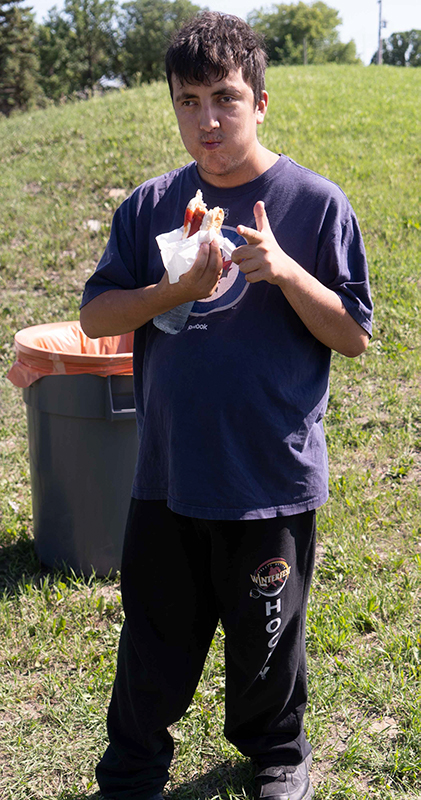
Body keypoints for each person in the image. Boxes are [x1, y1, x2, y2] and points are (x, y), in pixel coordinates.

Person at [80, 11, 372, 800]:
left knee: (266, 643)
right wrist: (173, 290)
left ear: (260, 103)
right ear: (171, 103)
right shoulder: (150, 206)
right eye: (187, 101)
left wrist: (282, 270)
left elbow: (352, 337)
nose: (206, 120)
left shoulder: (312, 203)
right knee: (152, 642)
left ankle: (275, 754)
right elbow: (97, 317)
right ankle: (134, 767)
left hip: (267, 478)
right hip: (167, 476)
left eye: (225, 98)